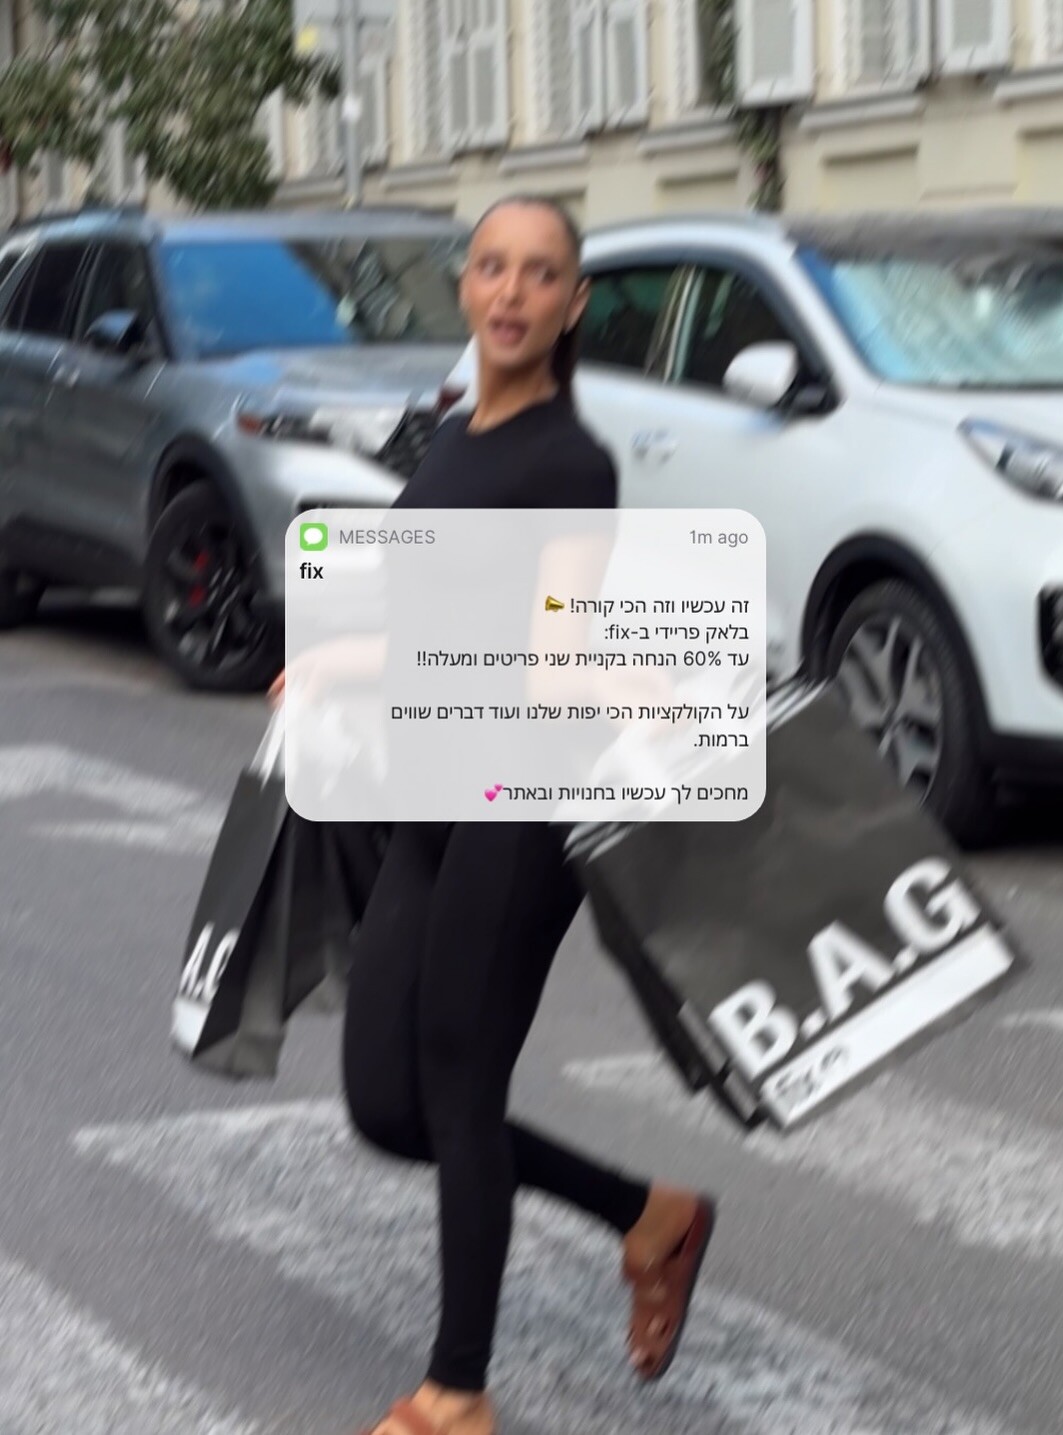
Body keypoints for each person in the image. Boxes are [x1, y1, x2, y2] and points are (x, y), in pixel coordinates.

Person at [269, 194, 715, 1435]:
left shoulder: (572, 462)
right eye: (492, 267)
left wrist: (628, 684)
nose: (512, 292)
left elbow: (553, 659)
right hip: (432, 787)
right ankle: (653, 1213)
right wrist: (341, 664)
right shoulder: (454, 440)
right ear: (465, 286)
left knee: (459, 1083)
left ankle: (456, 1393)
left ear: (575, 305)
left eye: (541, 273)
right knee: (386, 1101)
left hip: (523, 796)